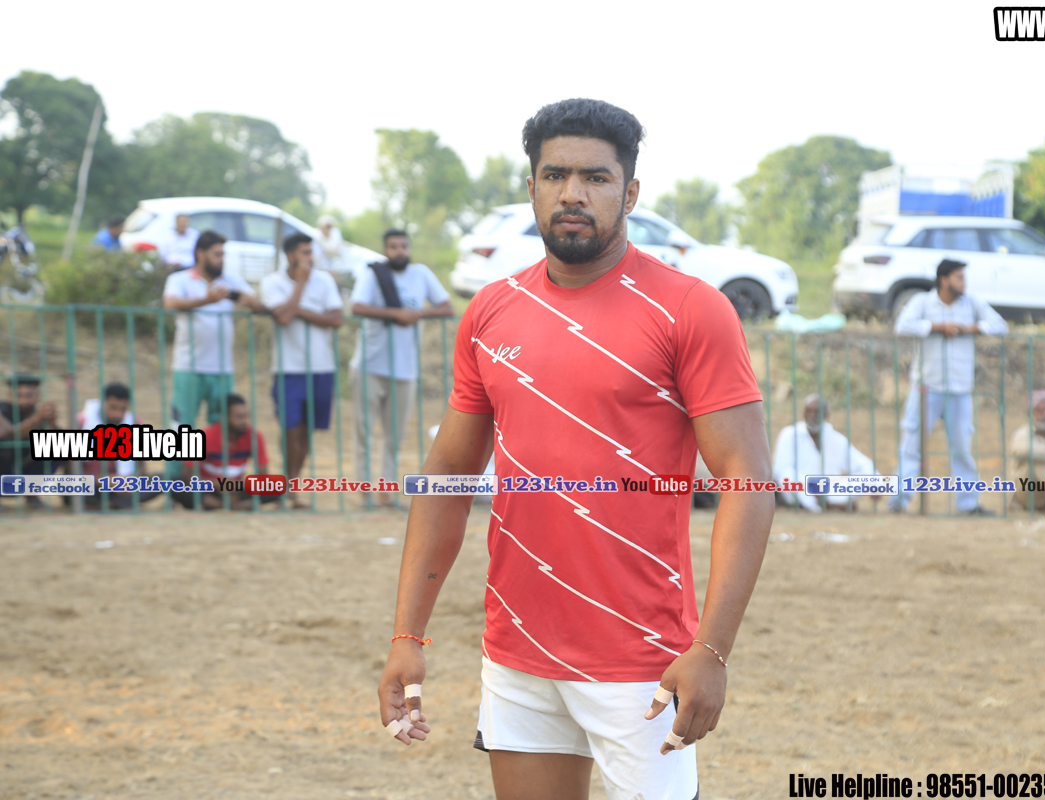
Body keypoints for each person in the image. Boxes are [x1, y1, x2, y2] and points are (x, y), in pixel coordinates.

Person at [376, 98, 774, 800]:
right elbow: (448, 476)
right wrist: (408, 634)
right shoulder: (491, 310)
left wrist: (712, 650)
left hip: (641, 661)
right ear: (531, 187)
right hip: (518, 651)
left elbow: (747, 480)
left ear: (630, 193)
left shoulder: (690, 309)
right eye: (555, 175)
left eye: (595, 178)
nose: (573, 194)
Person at [890, 258, 1008, 515]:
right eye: (959, 277)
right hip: (926, 387)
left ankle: (968, 503)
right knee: (912, 445)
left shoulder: (972, 303)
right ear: (944, 280)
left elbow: (1000, 325)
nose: (964, 282)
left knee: (962, 449)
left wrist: (971, 329)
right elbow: (902, 326)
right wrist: (938, 327)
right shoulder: (923, 302)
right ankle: (898, 500)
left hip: (960, 388)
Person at [349, 229, 452, 505]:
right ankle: (364, 492)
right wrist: (396, 313)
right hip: (369, 365)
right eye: (393, 246)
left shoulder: (421, 274)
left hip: (405, 369)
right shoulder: (374, 274)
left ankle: (387, 491)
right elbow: (357, 306)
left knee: (394, 437)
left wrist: (418, 314)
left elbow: (446, 307)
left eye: (404, 246)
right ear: (386, 250)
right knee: (364, 433)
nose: (400, 251)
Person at [162, 231, 267, 479]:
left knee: (221, 429)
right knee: (181, 428)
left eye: (223, 254)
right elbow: (170, 303)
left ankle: (216, 483)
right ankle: (175, 484)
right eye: (217, 254)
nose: (222, 259)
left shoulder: (231, 280)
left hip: (222, 368)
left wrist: (249, 302)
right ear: (200, 254)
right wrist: (206, 300)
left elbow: (257, 304)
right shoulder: (180, 279)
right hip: (188, 367)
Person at [259, 232, 344, 509]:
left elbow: (337, 318)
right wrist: (300, 286)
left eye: (311, 251)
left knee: (306, 430)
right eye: (305, 252)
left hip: (322, 367)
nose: (311, 257)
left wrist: (300, 311)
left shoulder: (325, 280)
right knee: (290, 427)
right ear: (290, 255)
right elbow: (283, 318)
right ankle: (287, 485)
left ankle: (292, 486)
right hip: (288, 369)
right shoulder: (272, 282)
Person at [774, 394, 875, 512]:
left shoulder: (835, 438)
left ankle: (828, 504)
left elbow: (862, 463)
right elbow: (782, 470)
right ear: (803, 413)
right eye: (809, 411)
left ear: (827, 415)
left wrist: (875, 484)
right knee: (788, 477)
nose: (812, 416)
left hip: (829, 491)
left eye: (817, 412)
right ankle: (824, 505)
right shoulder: (790, 434)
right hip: (800, 489)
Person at [173, 394, 276, 510]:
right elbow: (187, 475)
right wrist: (217, 483)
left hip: (237, 489)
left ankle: (225, 504)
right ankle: (230, 506)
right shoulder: (204, 436)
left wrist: (238, 485)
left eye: (246, 416)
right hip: (208, 489)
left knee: (279, 485)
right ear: (225, 418)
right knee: (173, 483)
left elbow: (263, 475)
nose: (244, 421)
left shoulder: (254, 436)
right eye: (239, 417)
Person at [76, 382, 160, 510]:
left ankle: (111, 504)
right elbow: (72, 470)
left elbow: (141, 465)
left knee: (161, 479)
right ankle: (113, 504)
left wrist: (131, 480)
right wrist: (104, 480)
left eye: (123, 409)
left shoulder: (134, 423)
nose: (118, 414)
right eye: (113, 408)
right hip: (93, 486)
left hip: (123, 488)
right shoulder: (82, 422)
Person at [0, 376, 61, 509]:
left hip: (23, 468)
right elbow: (10, 434)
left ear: (37, 396)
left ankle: (32, 494)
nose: (24, 401)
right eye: (19, 395)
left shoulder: (39, 412)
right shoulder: (2, 410)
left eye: (29, 396)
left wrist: (53, 423)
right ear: (9, 395)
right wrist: (36, 419)